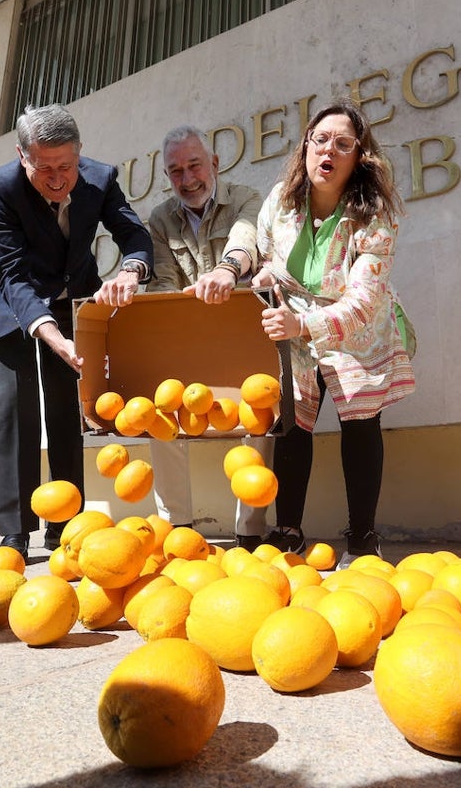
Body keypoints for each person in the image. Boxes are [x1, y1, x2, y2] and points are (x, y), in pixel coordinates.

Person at [0, 104, 153, 559]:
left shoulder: (100, 178)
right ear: (22, 155)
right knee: (13, 404)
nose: (56, 179)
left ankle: (64, 525)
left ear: (79, 154)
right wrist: (46, 331)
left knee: (67, 408)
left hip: (70, 298)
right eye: (43, 168)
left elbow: (134, 234)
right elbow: (10, 272)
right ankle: (15, 531)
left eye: (66, 166)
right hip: (7, 304)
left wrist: (131, 269)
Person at [250, 99, 415, 569]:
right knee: (292, 425)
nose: (329, 151)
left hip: (357, 333)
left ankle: (363, 536)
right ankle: (289, 532)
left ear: (359, 157)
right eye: (320, 140)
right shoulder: (280, 200)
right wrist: (264, 277)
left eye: (343, 144)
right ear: (306, 146)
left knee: (360, 424)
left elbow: (363, 300)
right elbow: (266, 256)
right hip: (294, 329)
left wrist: (305, 322)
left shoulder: (375, 215)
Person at [144, 125, 272, 549]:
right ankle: (177, 530)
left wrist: (226, 272)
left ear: (214, 164)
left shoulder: (246, 199)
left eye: (194, 165)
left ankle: (250, 532)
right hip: (185, 336)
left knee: (257, 417)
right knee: (161, 415)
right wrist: (175, 303)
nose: (187, 178)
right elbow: (162, 280)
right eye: (176, 170)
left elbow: (246, 239)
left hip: (242, 334)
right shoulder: (161, 218)